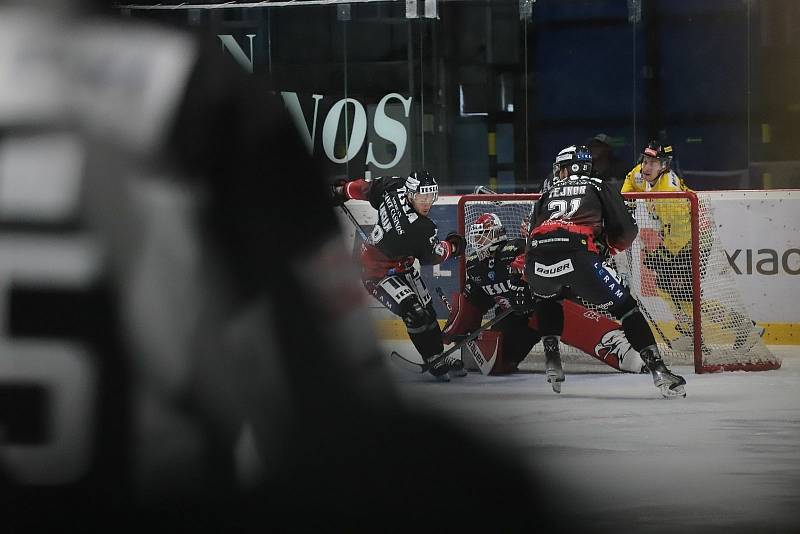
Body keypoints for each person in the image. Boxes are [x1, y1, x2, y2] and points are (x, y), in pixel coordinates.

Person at [1, 4, 552, 531]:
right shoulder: (197, 86)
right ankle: (433, 359)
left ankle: (433, 357)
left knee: (415, 309)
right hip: (159, 494)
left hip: (380, 263)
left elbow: (365, 196)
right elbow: (332, 425)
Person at [524, 144, 687, 398]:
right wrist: (608, 249)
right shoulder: (598, 186)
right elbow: (627, 229)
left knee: (548, 297)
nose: (560, 173)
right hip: (579, 258)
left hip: (535, 261)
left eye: (562, 168)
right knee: (627, 309)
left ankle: (552, 360)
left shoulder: (548, 191)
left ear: (568, 167)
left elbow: (531, 232)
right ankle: (660, 371)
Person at [441, 212, 647, 375]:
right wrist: (456, 330)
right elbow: (473, 302)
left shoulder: (516, 248)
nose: (478, 240)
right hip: (516, 316)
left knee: (560, 312)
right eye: (476, 235)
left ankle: (633, 354)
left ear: (496, 234)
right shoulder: (476, 266)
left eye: (482, 234)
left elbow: (534, 261)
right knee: (497, 364)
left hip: (547, 302)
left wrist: (520, 279)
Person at [621, 140, 764, 352]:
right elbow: (630, 180)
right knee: (666, 287)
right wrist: (628, 201)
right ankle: (691, 333)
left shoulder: (668, 193)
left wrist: (663, 254)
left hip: (694, 240)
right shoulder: (643, 173)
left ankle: (743, 328)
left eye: (654, 162)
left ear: (665, 165)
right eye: (646, 160)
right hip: (678, 238)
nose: (647, 166)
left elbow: (680, 232)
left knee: (688, 298)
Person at [332, 171, 467, 381]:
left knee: (429, 313)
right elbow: (434, 256)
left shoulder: (393, 187)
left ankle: (438, 356)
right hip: (376, 273)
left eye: (431, 196)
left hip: (403, 266)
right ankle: (434, 359)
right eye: (422, 197)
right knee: (415, 312)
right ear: (411, 194)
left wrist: (342, 190)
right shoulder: (418, 228)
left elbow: (365, 189)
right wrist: (455, 246)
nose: (427, 203)